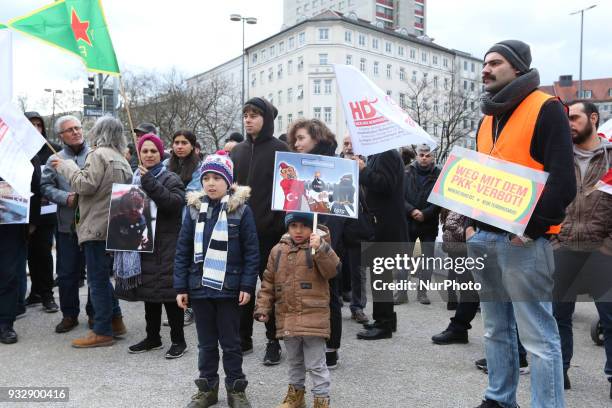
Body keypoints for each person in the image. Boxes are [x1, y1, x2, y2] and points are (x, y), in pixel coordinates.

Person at [466, 40, 576, 408]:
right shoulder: (487, 117)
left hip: (523, 243)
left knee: (539, 337)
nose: (485, 69)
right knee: (496, 329)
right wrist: (470, 224)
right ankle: (499, 398)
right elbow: (480, 177)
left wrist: (529, 231)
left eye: (494, 62)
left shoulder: (546, 108)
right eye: (484, 63)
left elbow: (563, 181)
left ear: (517, 68)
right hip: (485, 237)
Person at [174, 150, 258, 408]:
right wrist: (180, 286)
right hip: (199, 288)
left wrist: (246, 284)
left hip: (229, 288)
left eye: (217, 178)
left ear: (228, 182)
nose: (211, 183)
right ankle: (207, 388)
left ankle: (236, 389)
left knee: (231, 344)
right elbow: (182, 250)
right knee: (206, 344)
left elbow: (251, 251)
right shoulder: (192, 210)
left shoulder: (241, 211)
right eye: (206, 177)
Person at [52, 116, 133, 348]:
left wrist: (67, 167)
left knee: (97, 280)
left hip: (96, 226)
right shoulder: (121, 158)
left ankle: (102, 330)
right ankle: (116, 321)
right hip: (114, 226)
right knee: (103, 278)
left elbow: (84, 185)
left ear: (100, 132)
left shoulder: (98, 155)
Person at [552, 100, 612, 397]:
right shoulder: (559, 159)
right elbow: (546, 200)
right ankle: (559, 371)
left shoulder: (611, 158)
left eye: (574, 118)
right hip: (563, 248)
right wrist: (553, 240)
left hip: (602, 251)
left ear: (593, 118)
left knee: (611, 318)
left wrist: (608, 246)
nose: (569, 124)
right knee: (557, 316)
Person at [114, 134, 188, 359]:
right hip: (142, 243)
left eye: (153, 151)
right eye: (144, 151)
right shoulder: (132, 179)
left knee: (169, 295)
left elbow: (174, 204)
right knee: (149, 295)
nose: (148, 155)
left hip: (166, 245)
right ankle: (152, 338)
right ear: (139, 154)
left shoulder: (170, 178)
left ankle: (179, 341)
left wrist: (151, 183)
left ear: (161, 153)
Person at [254, 212, 339, 408]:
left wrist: (322, 248)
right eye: (293, 226)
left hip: (314, 317)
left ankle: (321, 399)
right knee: (294, 362)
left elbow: (332, 270)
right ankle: (296, 396)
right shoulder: (277, 250)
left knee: (317, 364)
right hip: (287, 317)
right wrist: (263, 306)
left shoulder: (319, 246)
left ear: (312, 227)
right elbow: (268, 281)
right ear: (288, 228)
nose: (298, 230)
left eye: (304, 226)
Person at [231, 97, 289, 363]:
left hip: (270, 232)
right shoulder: (237, 151)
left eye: (254, 114)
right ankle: (243, 339)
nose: (248, 119)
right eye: (245, 114)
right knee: (242, 287)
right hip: (240, 232)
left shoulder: (281, 149)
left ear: (266, 119)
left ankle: (273, 341)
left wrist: (280, 225)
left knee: (271, 289)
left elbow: (289, 191)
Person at [286, 118, 344, 369]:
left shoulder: (336, 165)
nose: (296, 143)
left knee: (330, 293)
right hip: (303, 233)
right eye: (295, 139)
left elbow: (342, 207)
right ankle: (308, 341)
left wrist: (326, 239)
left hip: (330, 235)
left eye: (301, 138)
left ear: (317, 138)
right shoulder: (297, 166)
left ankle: (331, 348)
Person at [41, 115, 90, 333]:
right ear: (61, 136)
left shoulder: (95, 155)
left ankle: (95, 312)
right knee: (67, 273)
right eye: (70, 129)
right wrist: (64, 197)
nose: (76, 132)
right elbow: (45, 187)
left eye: (78, 127)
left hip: (93, 225)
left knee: (96, 273)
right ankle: (69, 315)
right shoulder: (54, 159)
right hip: (67, 226)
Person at [355, 147, 408, 340]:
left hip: (385, 224)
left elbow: (385, 184)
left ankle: (383, 324)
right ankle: (385, 320)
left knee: (381, 275)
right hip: (382, 222)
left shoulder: (387, 153)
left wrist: (363, 171)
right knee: (380, 275)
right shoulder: (381, 153)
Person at [164, 130, 203, 327]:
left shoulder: (198, 167)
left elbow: (191, 195)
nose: (179, 146)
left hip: (190, 222)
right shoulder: (165, 164)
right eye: (176, 142)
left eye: (184, 142)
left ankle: (191, 308)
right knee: (175, 266)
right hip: (167, 221)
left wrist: (168, 194)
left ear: (192, 146)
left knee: (190, 265)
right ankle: (180, 306)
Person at [0, 160, 41, 344]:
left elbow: (34, 185)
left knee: (9, 274)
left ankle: (5, 324)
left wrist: (32, 219)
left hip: (11, 218)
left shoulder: (19, 148)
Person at [24, 111, 61, 313]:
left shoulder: (52, 150)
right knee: (29, 255)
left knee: (43, 253)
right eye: (31, 124)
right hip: (23, 212)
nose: (36, 129)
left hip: (46, 212)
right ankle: (34, 293)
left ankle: (47, 295)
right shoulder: (16, 150)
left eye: (39, 125)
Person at [396, 143, 440, 305]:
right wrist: (412, 211)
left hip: (429, 223)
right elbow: (399, 195)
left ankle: (422, 293)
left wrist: (426, 213)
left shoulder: (439, 174)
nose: (424, 158)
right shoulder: (406, 171)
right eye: (421, 154)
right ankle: (401, 293)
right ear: (416, 155)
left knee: (427, 260)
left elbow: (440, 199)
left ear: (433, 157)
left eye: (427, 155)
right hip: (408, 222)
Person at [339, 135, 370, 324]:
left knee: (358, 271)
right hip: (337, 226)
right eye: (346, 144)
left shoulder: (366, 168)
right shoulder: (334, 166)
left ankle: (358, 307)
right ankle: (334, 303)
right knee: (334, 268)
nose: (349, 147)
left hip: (358, 227)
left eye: (352, 144)